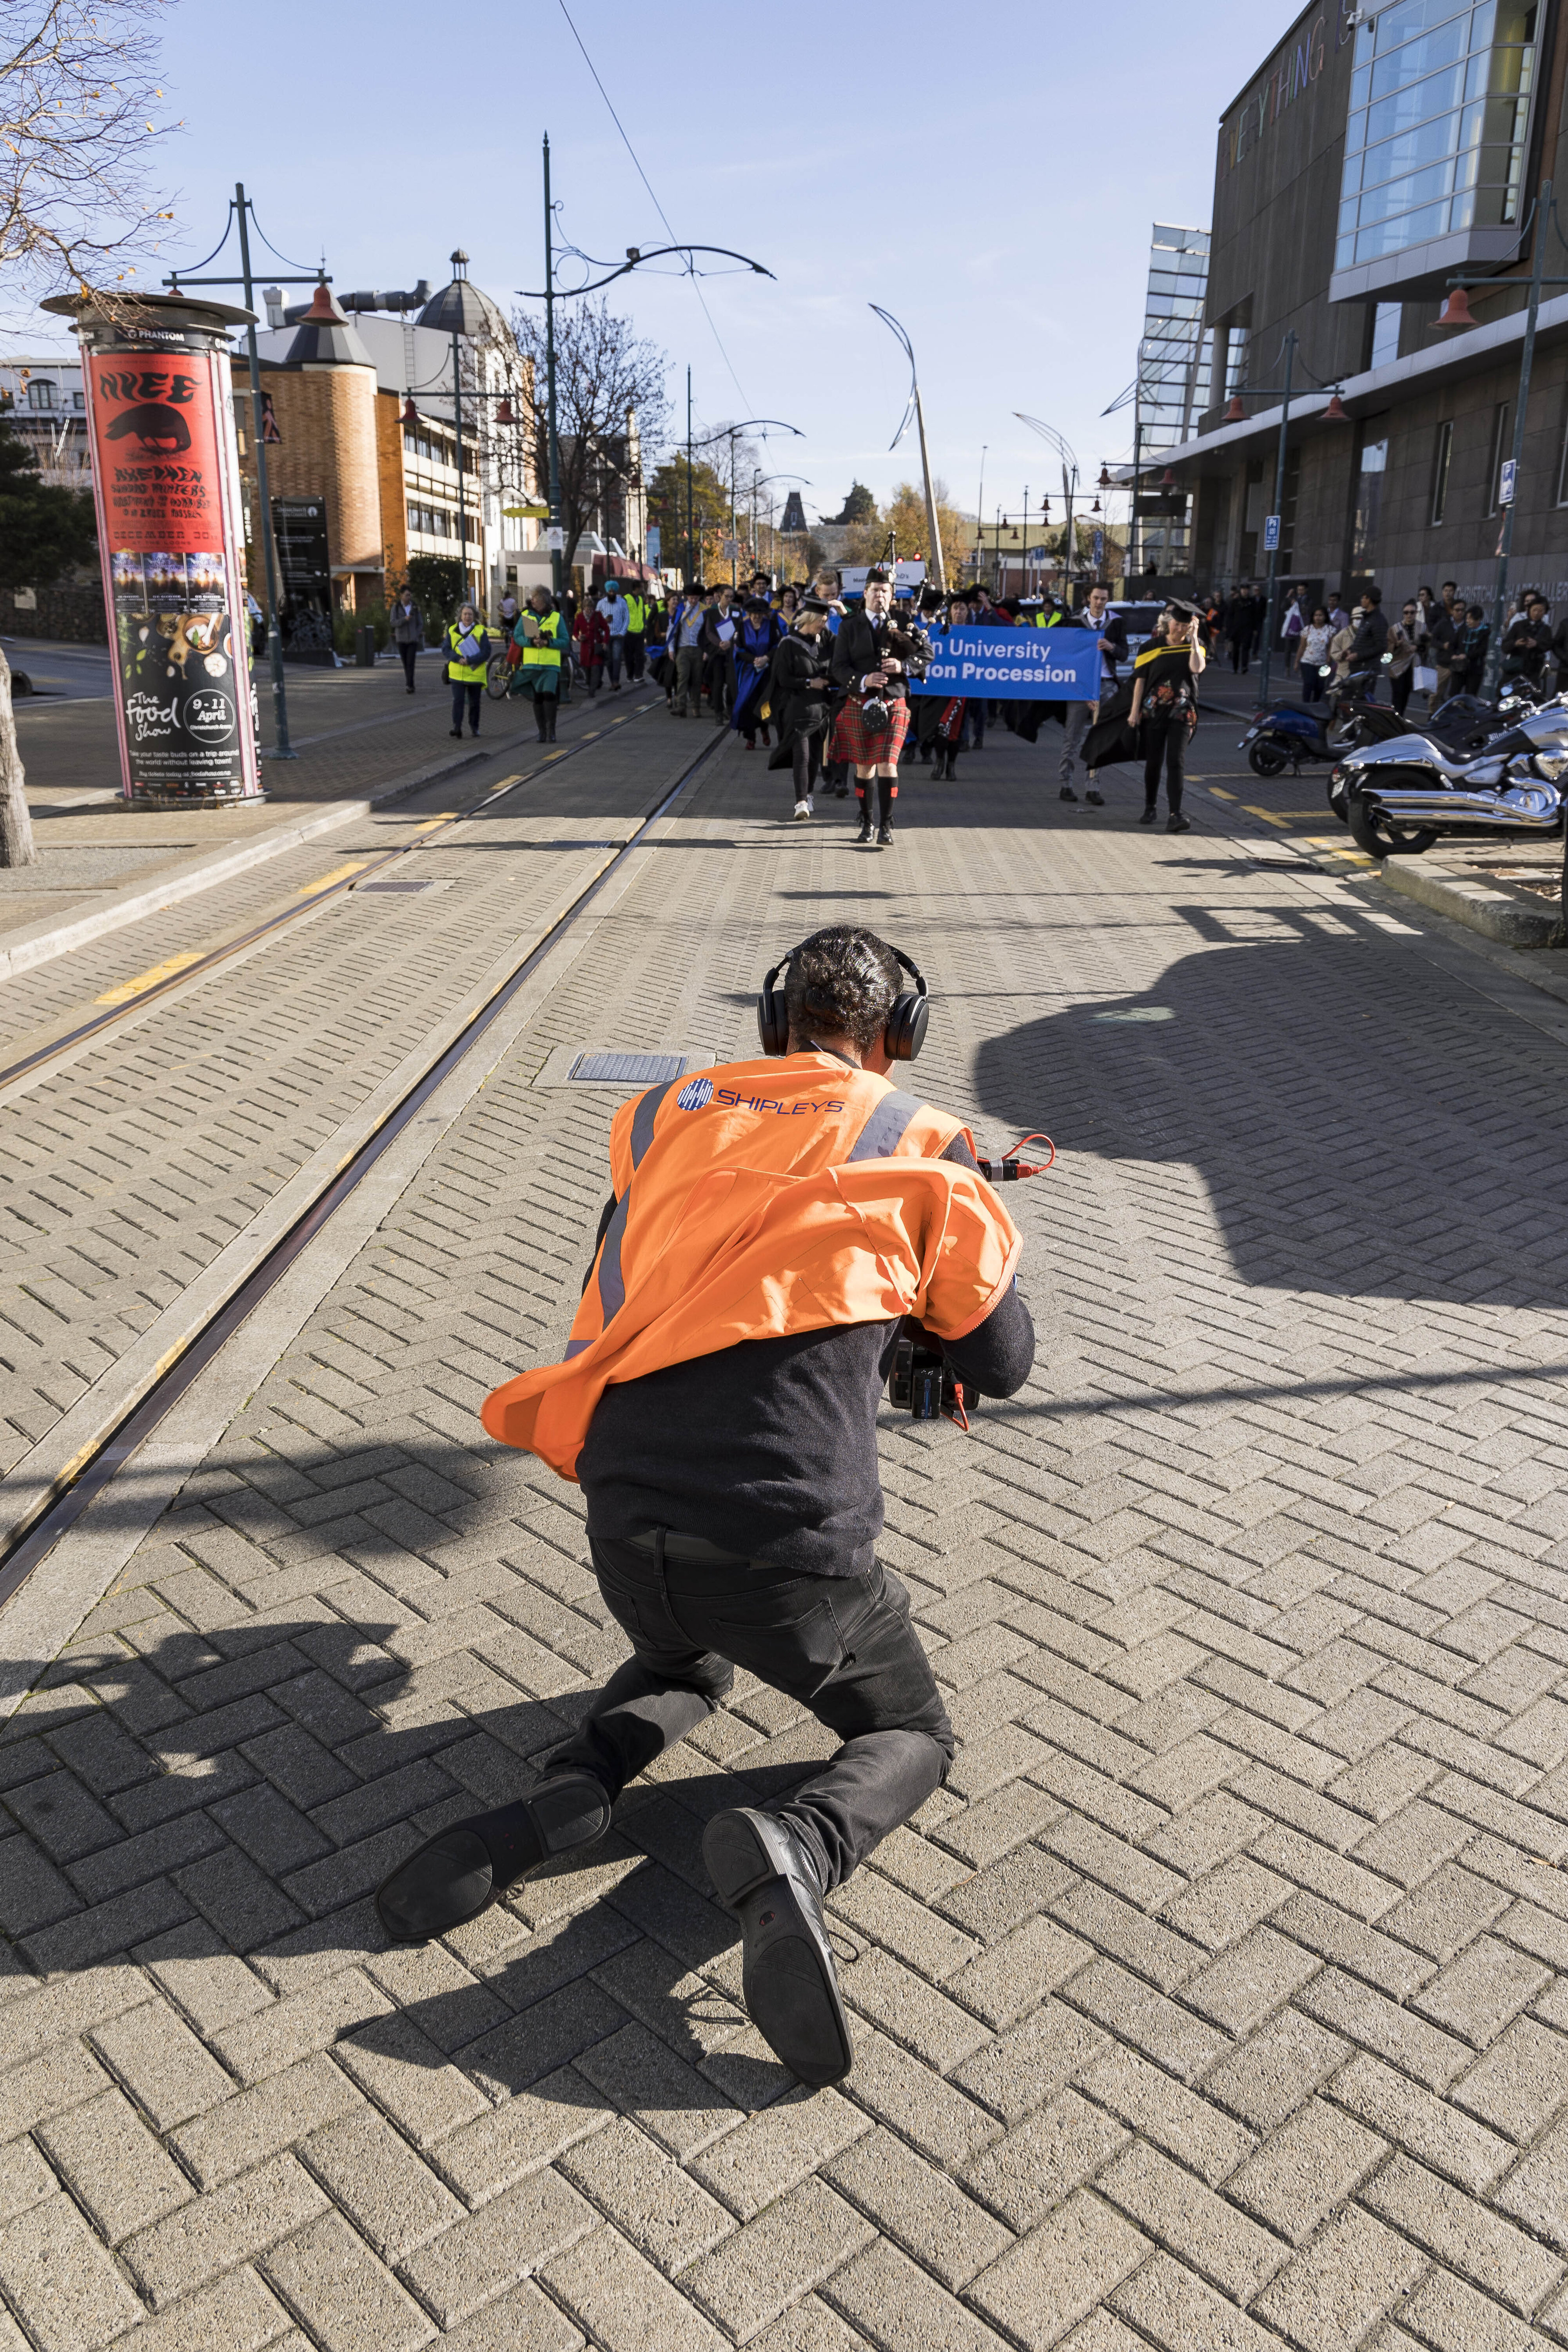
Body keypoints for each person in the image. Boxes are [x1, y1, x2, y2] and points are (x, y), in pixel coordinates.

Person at [375, 926, 1035, 2089]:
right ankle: (802, 1840)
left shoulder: (660, 1113)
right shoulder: (929, 1148)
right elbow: (1002, 1360)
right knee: (911, 1734)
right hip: (789, 1542)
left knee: (682, 1664)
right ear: (900, 1036)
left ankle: (570, 1788)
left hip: (623, 1514)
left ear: (775, 1026)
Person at [830, 566, 922, 847]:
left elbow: (926, 654)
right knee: (864, 767)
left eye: (885, 591)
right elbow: (838, 668)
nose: (879, 596)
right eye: (875, 591)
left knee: (888, 764)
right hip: (860, 702)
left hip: (893, 702)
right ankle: (867, 822)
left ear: (891, 596)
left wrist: (903, 665)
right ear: (865, 594)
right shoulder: (850, 627)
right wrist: (863, 679)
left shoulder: (905, 622)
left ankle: (886, 826)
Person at [1130, 608, 1203, 831]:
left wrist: (1194, 638)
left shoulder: (1194, 647)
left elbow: (1197, 668)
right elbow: (1140, 681)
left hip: (1182, 710)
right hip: (1153, 710)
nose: (1180, 629)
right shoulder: (1150, 647)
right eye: (1177, 624)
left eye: (1185, 625)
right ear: (1168, 623)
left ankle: (1175, 814)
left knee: (1176, 761)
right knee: (1154, 761)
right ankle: (1150, 807)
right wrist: (1134, 712)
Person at [1059, 583, 1126, 803]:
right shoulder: (1075, 622)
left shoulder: (1116, 622)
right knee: (1073, 737)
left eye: (1103, 599)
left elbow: (1124, 654)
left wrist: (1111, 647)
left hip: (1107, 685)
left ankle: (1093, 787)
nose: (1099, 603)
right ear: (1088, 599)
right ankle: (1066, 784)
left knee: (1101, 738)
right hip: (1080, 686)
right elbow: (1064, 653)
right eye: (1096, 598)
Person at [769, 595, 835, 817]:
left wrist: (845, 612)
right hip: (797, 708)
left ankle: (808, 794)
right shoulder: (788, 644)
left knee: (815, 757)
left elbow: (848, 649)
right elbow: (782, 678)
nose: (824, 625)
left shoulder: (825, 641)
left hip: (821, 709)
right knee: (803, 755)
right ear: (810, 618)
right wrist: (809, 683)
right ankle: (801, 803)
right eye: (822, 620)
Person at [732, 597, 784, 749]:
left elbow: (778, 645)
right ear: (748, 613)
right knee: (748, 703)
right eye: (753, 614)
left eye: (759, 614)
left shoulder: (771, 625)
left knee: (765, 703)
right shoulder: (742, 626)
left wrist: (766, 658)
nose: (756, 617)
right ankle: (751, 738)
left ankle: (764, 729)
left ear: (764, 614)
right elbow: (739, 649)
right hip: (749, 671)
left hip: (766, 672)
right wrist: (754, 659)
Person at [515, 585, 564, 740]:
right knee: (538, 698)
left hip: (550, 665)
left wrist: (548, 643)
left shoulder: (556, 617)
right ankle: (542, 732)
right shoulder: (526, 616)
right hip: (532, 665)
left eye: (535, 598)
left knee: (549, 695)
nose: (532, 600)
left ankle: (552, 732)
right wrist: (531, 641)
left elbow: (565, 641)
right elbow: (517, 637)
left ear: (543, 600)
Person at [444, 603, 491, 740]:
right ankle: (457, 727)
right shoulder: (452, 630)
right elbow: (446, 649)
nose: (467, 617)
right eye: (465, 614)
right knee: (458, 701)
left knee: (475, 703)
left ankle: (474, 727)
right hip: (457, 674)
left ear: (474, 616)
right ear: (460, 616)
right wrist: (458, 658)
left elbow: (486, 652)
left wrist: (470, 660)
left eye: (470, 614)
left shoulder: (481, 631)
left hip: (475, 675)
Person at [672, 583, 708, 717]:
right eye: (691, 598)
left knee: (697, 679)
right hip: (683, 649)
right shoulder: (681, 609)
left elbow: (708, 632)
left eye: (696, 598)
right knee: (683, 677)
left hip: (698, 649)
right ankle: (681, 706)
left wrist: (707, 651)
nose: (693, 601)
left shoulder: (705, 611)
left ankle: (696, 706)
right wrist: (671, 649)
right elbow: (673, 630)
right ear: (686, 597)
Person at [1503, 592, 1551, 686]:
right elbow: (1505, 645)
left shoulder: (1545, 628)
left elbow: (1549, 644)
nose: (1537, 613)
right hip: (1516, 668)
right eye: (1534, 610)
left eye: (1541, 611)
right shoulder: (1518, 624)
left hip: (1534, 670)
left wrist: (1536, 644)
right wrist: (1516, 644)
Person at [1390, 599, 1423, 718]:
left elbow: (1428, 644)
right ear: (1403, 614)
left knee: (1406, 694)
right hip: (1397, 666)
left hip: (1413, 666)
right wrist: (1397, 645)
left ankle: (1401, 718)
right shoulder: (1395, 628)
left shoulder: (1422, 627)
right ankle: (1396, 719)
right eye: (1406, 613)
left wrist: (1417, 647)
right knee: (1397, 694)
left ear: (1416, 613)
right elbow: (1388, 646)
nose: (1409, 615)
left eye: (1412, 612)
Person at [597, 579, 630, 691]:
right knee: (609, 660)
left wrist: (623, 632)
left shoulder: (622, 602)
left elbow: (627, 618)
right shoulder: (601, 604)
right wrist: (604, 621)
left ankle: (616, 682)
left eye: (613, 592)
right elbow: (597, 619)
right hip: (606, 636)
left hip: (618, 635)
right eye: (610, 591)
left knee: (616, 659)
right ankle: (612, 681)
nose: (612, 593)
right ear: (607, 592)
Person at [390, 586, 423, 693]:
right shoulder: (396, 607)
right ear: (401, 595)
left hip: (412, 640)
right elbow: (393, 622)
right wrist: (404, 619)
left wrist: (416, 634)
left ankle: (410, 685)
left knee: (411, 662)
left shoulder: (415, 607)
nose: (408, 597)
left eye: (410, 595)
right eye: (406, 595)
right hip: (401, 640)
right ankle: (410, 683)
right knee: (405, 663)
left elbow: (420, 623)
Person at [1451, 604, 1490, 694]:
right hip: (1459, 668)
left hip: (1475, 669)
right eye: (1467, 619)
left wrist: (1467, 656)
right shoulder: (1463, 629)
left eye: (1471, 619)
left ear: (1479, 620)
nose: (1468, 621)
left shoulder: (1485, 632)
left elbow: (1482, 650)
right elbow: (1453, 644)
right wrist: (1454, 654)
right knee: (1453, 694)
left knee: (1470, 696)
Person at [573, 600, 609, 697]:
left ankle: (592, 691)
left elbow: (606, 628)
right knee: (587, 671)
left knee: (596, 669)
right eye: (587, 608)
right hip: (585, 648)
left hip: (596, 647)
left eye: (590, 608)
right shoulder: (580, 617)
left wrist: (605, 642)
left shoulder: (598, 616)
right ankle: (590, 684)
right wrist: (579, 637)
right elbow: (575, 632)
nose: (589, 610)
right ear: (584, 608)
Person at [1298, 607, 1333, 703]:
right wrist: (1297, 662)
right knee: (1309, 683)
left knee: (1320, 686)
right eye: (1316, 615)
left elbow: (1331, 647)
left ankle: (1315, 705)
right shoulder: (1308, 629)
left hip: (1322, 663)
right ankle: (1305, 705)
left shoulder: (1330, 630)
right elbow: (1302, 647)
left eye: (1321, 615)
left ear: (1325, 617)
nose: (1318, 618)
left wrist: (1328, 660)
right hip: (1307, 661)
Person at [622, 582, 647, 682]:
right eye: (642, 588)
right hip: (629, 632)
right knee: (629, 656)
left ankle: (639, 675)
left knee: (640, 655)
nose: (643, 589)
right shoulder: (626, 599)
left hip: (640, 631)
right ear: (638, 588)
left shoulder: (641, 599)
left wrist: (644, 625)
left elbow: (643, 614)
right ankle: (630, 676)